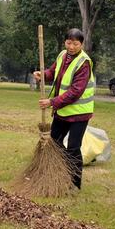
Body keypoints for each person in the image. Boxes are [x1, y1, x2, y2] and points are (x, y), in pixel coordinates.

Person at [33, 28, 95, 190]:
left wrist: (52, 102)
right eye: (69, 43)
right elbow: (54, 72)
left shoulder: (84, 63)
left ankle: (75, 183)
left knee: (73, 147)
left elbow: (75, 91)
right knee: (54, 141)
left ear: (81, 44)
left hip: (79, 113)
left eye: (76, 43)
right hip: (62, 111)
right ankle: (59, 173)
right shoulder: (62, 55)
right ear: (65, 42)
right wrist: (43, 74)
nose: (72, 47)